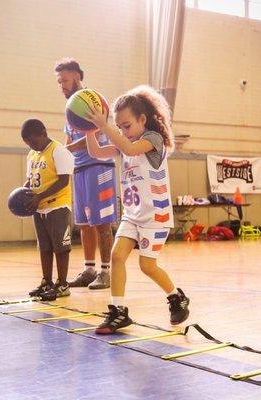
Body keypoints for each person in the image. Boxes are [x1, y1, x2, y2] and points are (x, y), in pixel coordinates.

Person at [84, 85, 190, 334]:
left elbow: (130, 149)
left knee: (147, 266)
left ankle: (176, 297)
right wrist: (89, 129)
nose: (123, 131)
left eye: (127, 125)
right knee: (117, 256)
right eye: (119, 127)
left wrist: (106, 126)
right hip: (132, 215)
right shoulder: (124, 142)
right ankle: (118, 311)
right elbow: (96, 151)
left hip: (156, 216)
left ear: (143, 119)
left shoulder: (152, 140)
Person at [54, 58, 117, 290]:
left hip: (99, 165)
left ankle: (106, 271)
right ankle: (90, 269)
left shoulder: (92, 101)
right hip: (79, 168)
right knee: (84, 224)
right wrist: (60, 157)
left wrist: (65, 149)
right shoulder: (70, 108)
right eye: (59, 82)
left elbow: (97, 131)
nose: (62, 86)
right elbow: (68, 140)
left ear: (78, 77)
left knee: (102, 222)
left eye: (66, 81)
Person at [21, 119, 75, 301]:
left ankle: (62, 284)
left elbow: (63, 181)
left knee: (60, 247)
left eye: (34, 141)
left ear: (43, 133)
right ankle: (47, 281)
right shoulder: (32, 154)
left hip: (58, 206)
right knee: (44, 247)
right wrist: (24, 190)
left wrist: (39, 196)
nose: (32, 146)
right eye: (28, 143)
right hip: (40, 207)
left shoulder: (59, 151)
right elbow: (31, 179)